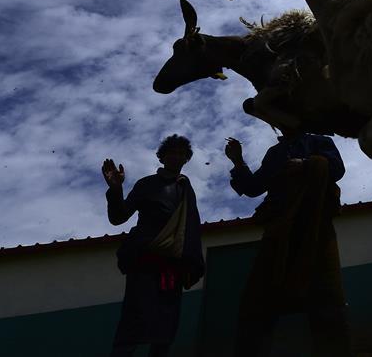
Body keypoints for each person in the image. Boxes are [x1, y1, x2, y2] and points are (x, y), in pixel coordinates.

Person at [225, 130, 352, 357]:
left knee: (325, 297)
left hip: (316, 226)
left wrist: (306, 164)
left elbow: (336, 169)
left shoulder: (319, 141)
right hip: (279, 228)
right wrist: (237, 160)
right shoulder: (275, 152)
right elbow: (255, 187)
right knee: (258, 300)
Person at [103, 134, 205, 357]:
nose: (176, 156)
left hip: (173, 268)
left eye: (182, 153)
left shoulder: (186, 190)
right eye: (172, 151)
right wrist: (115, 189)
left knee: (166, 328)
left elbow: (191, 229)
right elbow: (119, 217)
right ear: (162, 157)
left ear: (186, 159)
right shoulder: (146, 184)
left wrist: (191, 264)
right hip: (145, 263)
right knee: (133, 321)